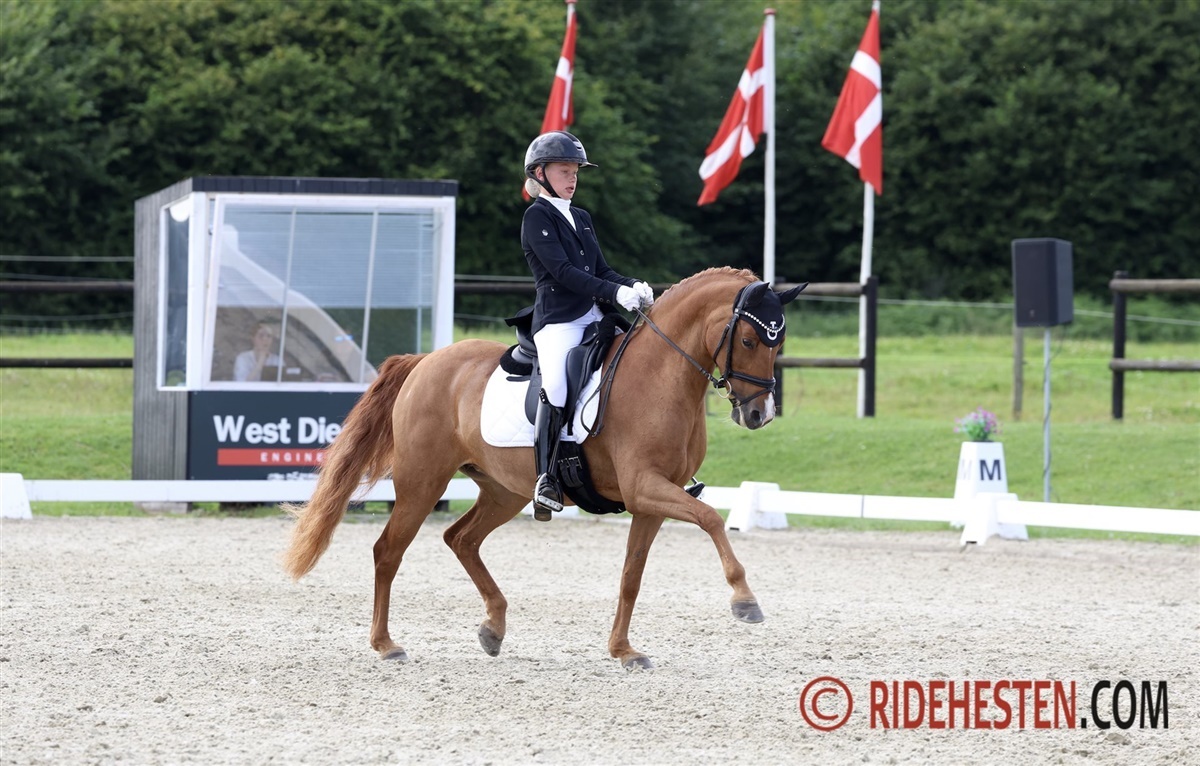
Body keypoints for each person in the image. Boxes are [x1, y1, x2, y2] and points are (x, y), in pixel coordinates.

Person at [520, 130, 654, 520]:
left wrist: (632, 285)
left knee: (642, 365)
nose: (573, 178)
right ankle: (546, 479)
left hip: (594, 317)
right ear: (541, 174)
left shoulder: (581, 217)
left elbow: (601, 270)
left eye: (575, 171)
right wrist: (614, 293)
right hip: (558, 321)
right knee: (556, 387)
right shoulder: (536, 216)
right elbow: (563, 272)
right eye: (564, 170)